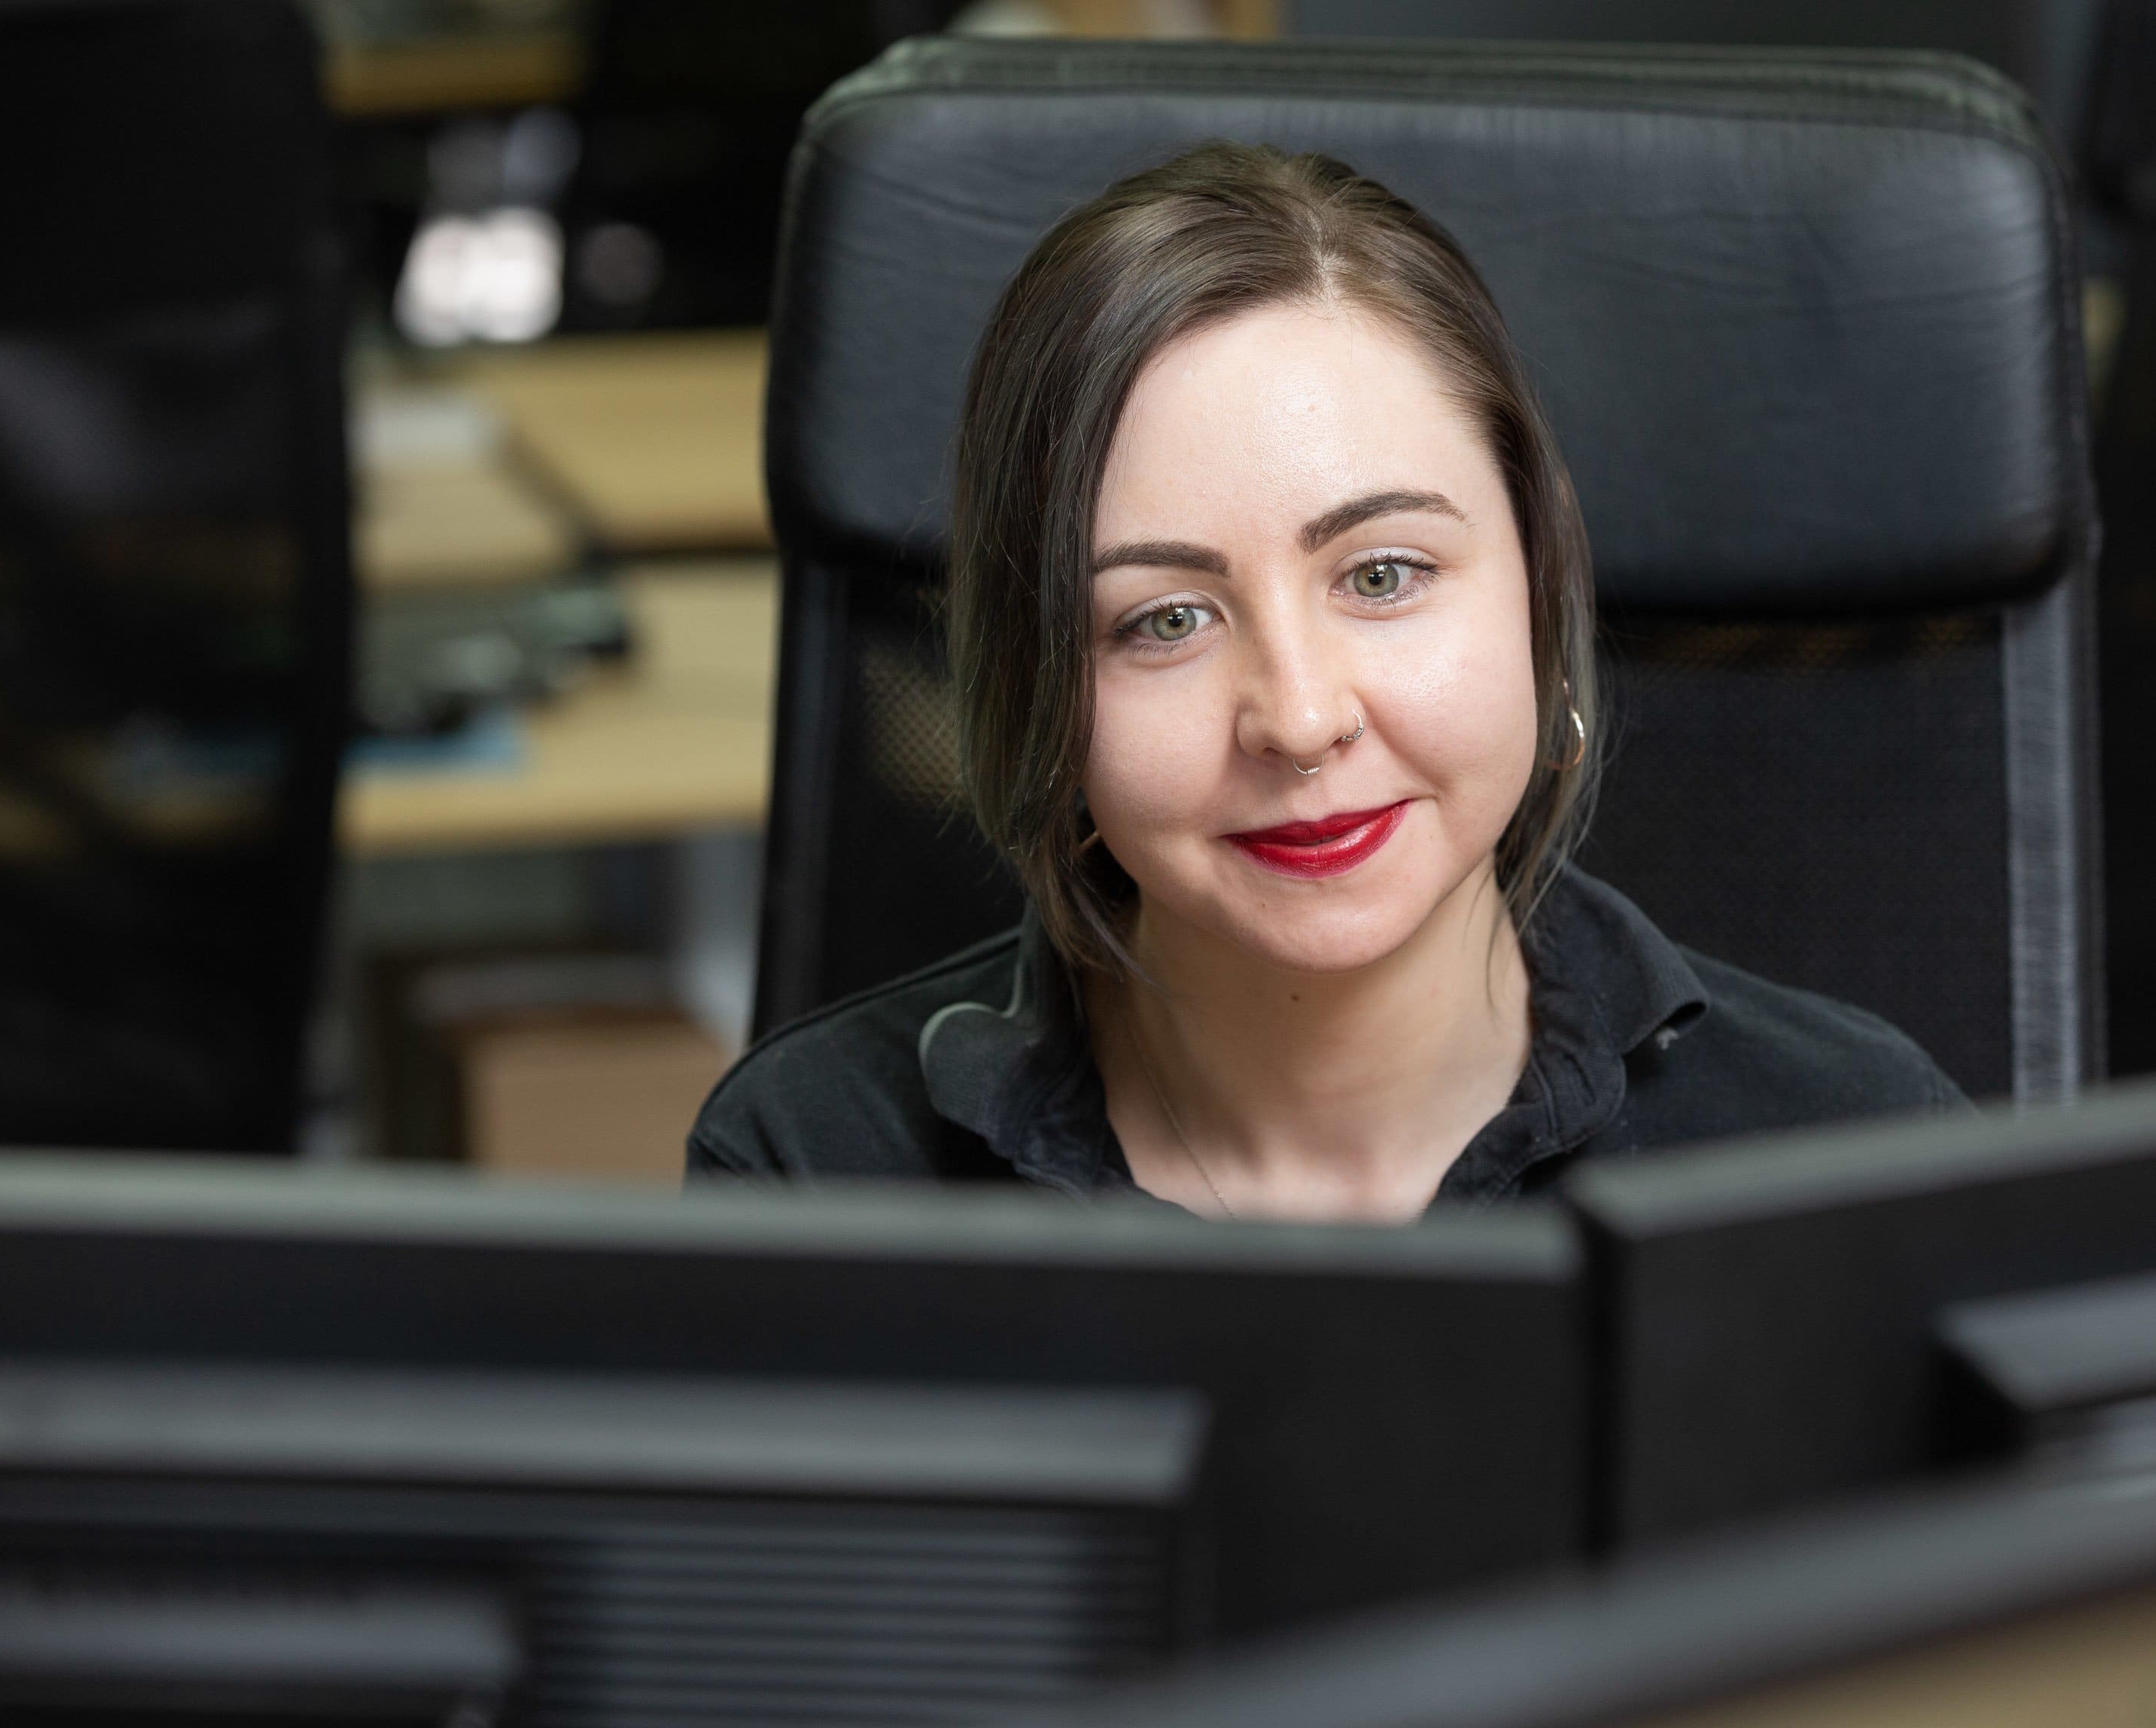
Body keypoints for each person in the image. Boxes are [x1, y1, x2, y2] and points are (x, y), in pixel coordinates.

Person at [689, 141, 1966, 1219]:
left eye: (1383, 576)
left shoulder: (1855, 1164)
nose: (1299, 720)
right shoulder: (814, 1179)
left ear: (1539, 583)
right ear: (1043, 690)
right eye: (1166, 619)